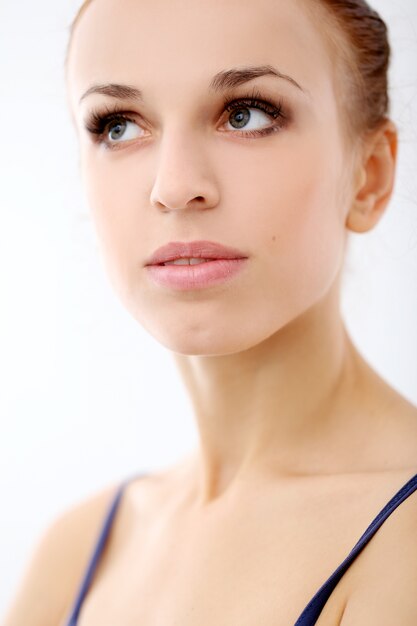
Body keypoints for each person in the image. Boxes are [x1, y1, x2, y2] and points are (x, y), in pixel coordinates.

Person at [3, 0, 417, 624]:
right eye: (118, 125)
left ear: (369, 177)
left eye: (246, 114)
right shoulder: (79, 549)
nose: (174, 186)